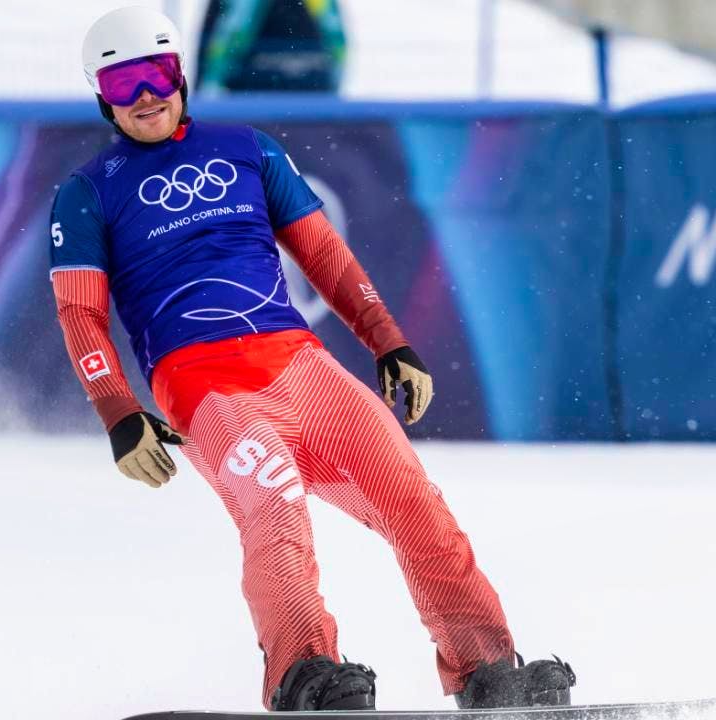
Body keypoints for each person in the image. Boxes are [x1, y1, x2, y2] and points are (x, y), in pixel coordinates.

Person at [49, 6, 576, 712]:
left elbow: (325, 256)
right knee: (274, 510)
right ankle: (305, 674)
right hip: (205, 387)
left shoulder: (250, 150)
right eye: (123, 83)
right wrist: (119, 413)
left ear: (181, 75)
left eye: (157, 73)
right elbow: (80, 313)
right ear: (100, 95)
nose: (145, 95)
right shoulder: (86, 193)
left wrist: (389, 340)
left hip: (301, 363)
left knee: (412, 499)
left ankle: (485, 666)